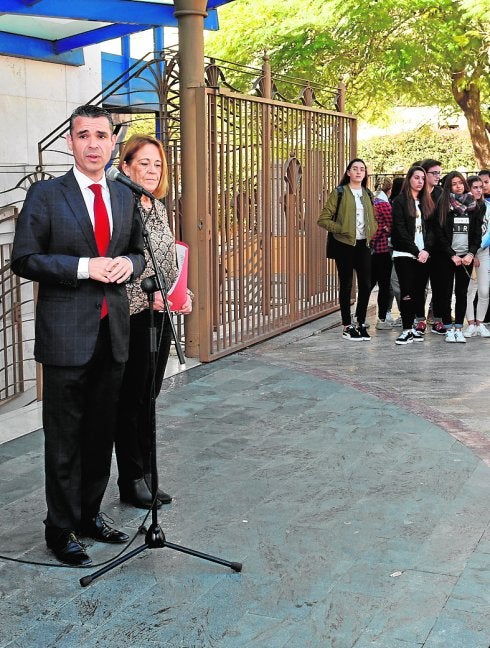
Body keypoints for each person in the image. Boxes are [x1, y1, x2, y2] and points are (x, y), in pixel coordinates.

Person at [10, 105, 146, 566]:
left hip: (114, 332)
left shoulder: (125, 195)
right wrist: (85, 267)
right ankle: (60, 528)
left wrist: (130, 265)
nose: (93, 143)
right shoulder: (46, 195)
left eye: (101, 135)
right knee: (65, 436)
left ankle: (90, 514)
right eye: (83, 135)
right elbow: (25, 259)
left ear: (113, 142)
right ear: (70, 142)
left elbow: (137, 252)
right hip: (66, 335)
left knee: (100, 433)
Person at [115, 134, 193, 509]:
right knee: (132, 399)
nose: (151, 170)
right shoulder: (123, 206)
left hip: (161, 315)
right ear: (126, 166)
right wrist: (149, 296)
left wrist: (179, 292)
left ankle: (148, 474)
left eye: (157, 164)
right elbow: (119, 264)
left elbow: (164, 258)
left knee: (150, 396)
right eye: (143, 163)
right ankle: (131, 480)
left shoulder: (157, 206)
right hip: (133, 315)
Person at [318, 158, 377, 340]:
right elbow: (323, 219)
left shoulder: (368, 193)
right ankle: (346, 325)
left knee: (366, 285)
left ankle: (360, 321)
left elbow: (373, 218)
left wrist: (372, 230)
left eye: (362, 169)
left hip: (363, 244)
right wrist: (341, 229)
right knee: (346, 285)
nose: (359, 172)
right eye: (355, 169)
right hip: (344, 245)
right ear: (348, 172)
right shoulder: (340, 192)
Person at [431, 171, 483, 343]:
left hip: (465, 257)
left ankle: (459, 327)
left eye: (460, 182)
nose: (459, 186)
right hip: (447, 256)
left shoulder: (474, 206)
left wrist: (470, 253)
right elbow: (439, 233)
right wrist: (451, 254)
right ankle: (448, 328)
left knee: (462, 292)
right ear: (449, 187)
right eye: (454, 183)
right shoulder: (443, 204)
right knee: (445, 292)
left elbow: (477, 235)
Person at [391, 166, 435, 345]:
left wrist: (426, 251)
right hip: (405, 253)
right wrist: (417, 251)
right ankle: (407, 329)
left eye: (422, 179)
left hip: (423, 255)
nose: (420, 181)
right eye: (416, 177)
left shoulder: (427, 202)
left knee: (418, 292)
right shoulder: (400, 201)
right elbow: (400, 231)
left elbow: (433, 230)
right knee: (406, 291)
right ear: (409, 179)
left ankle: (415, 327)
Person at [463, 175, 490, 337]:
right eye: (475, 187)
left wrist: (479, 249)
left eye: (481, 187)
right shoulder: (464, 208)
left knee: (484, 291)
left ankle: (480, 323)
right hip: (468, 254)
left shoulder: (488, 206)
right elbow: (463, 234)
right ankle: (471, 324)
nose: (479, 190)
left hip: (484, 252)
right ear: (469, 189)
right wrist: (472, 253)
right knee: (468, 290)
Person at [370, 178, 394, 330]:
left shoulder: (369, 203)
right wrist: (385, 228)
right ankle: (382, 319)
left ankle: (359, 317)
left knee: (368, 284)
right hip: (383, 249)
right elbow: (391, 226)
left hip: (368, 250)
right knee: (384, 286)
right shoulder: (385, 205)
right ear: (389, 190)